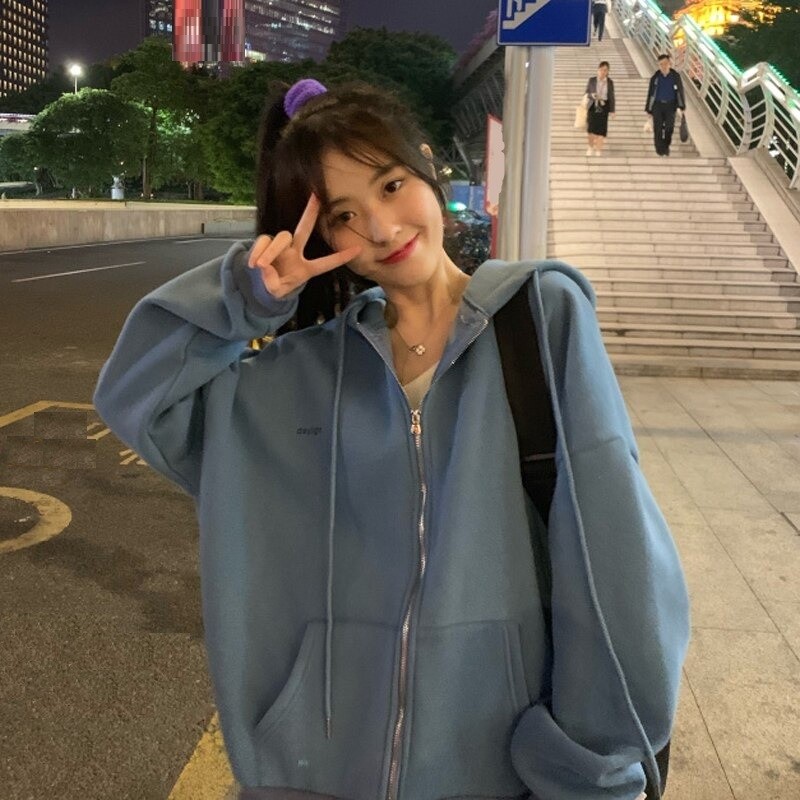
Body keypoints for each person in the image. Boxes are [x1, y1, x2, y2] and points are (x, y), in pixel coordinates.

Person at [94, 78, 690, 800]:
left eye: (391, 185)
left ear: (428, 168)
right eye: (344, 215)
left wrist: (591, 765)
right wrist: (244, 300)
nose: (380, 228)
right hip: (320, 774)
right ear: (320, 237)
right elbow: (139, 398)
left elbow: (616, 560)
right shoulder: (300, 374)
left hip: (504, 771)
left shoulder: (539, 321)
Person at [645, 54, 686, 157]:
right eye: (661, 64)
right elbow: (650, 94)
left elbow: (680, 92)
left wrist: (682, 106)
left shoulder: (675, 77)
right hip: (657, 106)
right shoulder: (655, 78)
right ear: (658, 65)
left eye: (665, 64)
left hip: (670, 106)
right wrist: (649, 110)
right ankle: (659, 149)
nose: (663, 66)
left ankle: (666, 146)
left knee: (669, 128)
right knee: (658, 129)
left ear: (669, 64)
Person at [585, 60, 615, 156]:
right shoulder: (592, 80)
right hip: (593, 105)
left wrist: (612, 110)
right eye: (601, 69)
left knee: (601, 129)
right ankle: (590, 147)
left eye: (605, 70)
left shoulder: (610, 82)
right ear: (598, 70)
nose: (603, 72)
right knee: (591, 128)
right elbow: (586, 93)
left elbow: (611, 97)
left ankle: (598, 149)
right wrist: (592, 95)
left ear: (608, 71)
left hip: (604, 106)